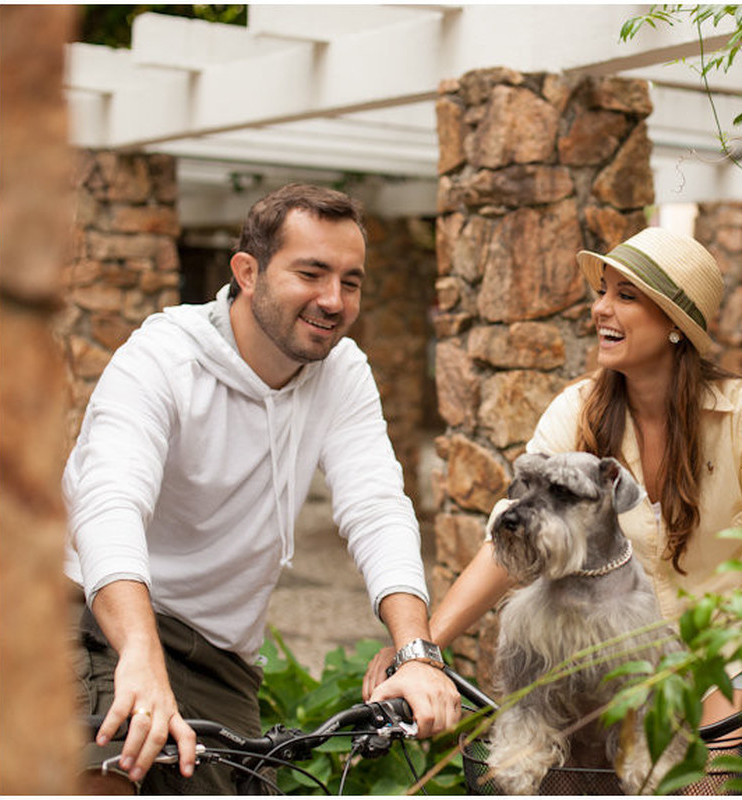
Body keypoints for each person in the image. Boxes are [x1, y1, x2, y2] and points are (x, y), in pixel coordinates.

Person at [364, 227, 742, 783]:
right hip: (612, 668)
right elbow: (509, 539)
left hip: (731, 651)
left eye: (626, 296)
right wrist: (421, 649)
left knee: (700, 794)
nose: (601, 307)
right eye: (603, 291)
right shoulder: (574, 411)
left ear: (676, 324)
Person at [65, 183, 461, 794]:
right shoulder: (161, 358)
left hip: (220, 657)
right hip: (95, 619)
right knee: (109, 771)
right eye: (311, 273)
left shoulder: (344, 373)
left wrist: (416, 651)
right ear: (247, 272)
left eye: (350, 281)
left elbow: (378, 507)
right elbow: (110, 502)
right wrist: (140, 655)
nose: (333, 299)